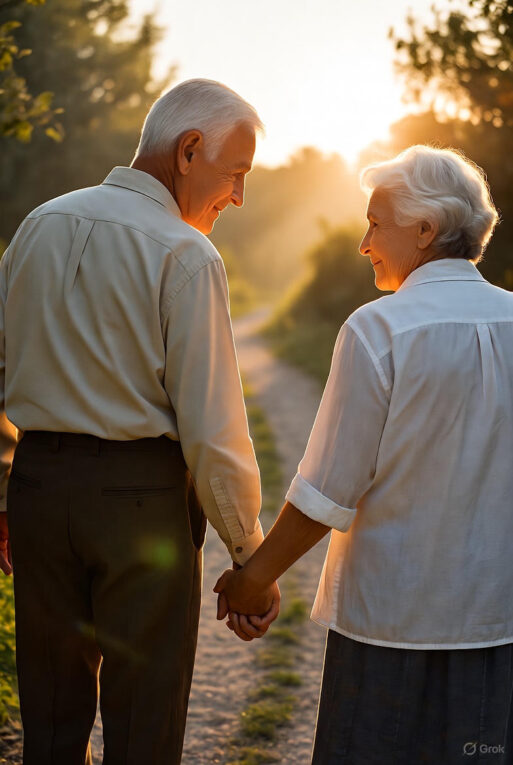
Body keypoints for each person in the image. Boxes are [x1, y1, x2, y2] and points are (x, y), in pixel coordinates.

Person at [0, 78, 279, 765]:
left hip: (36, 492)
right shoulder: (186, 254)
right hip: (139, 505)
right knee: (144, 723)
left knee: (50, 716)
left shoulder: (38, 224)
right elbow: (213, 430)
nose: (237, 197)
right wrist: (251, 557)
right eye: (235, 173)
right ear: (188, 151)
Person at [215, 145, 513, 763]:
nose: (363, 243)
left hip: (390, 627)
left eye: (376, 224)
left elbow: (327, 491)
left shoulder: (378, 329)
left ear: (426, 230)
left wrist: (252, 579)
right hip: (500, 627)